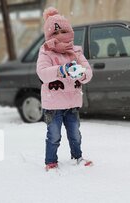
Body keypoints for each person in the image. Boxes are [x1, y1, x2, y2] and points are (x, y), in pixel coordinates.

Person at [36, 7, 93, 171]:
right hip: (53, 105)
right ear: (49, 35)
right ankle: (51, 161)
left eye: (63, 30)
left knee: (75, 134)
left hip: (72, 102)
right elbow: (43, 74)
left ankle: (77, 156)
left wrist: (81, 74)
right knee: (54, 136)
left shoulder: (76, 51)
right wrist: (61, 70)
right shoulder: (45, 52)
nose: (60, 35)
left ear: (70, 31)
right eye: (55, 32)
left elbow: (88, 72)